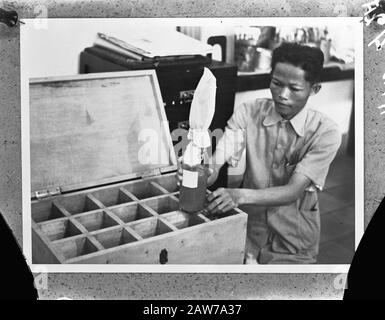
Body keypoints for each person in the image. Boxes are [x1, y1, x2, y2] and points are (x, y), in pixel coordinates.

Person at [180, 42, 342, 264]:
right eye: (276, 83)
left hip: (292, 243)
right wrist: (206, 171)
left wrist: (239, 195)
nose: (282, 95)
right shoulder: (250, 111)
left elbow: (293, 191)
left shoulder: (326, 132)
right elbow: (219, 160)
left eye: (294, 89)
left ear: (314, 89)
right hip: (249, 234)